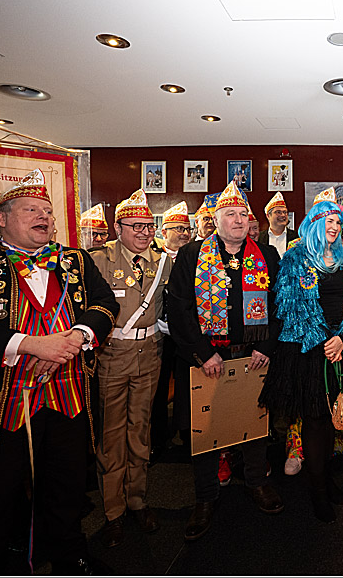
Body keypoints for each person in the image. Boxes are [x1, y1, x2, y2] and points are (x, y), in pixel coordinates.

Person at [0, 169, 119, 575]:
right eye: (31, 209)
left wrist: (76, 337)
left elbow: (103, 304)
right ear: (2, 218)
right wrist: (31, 345)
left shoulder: (76, 260)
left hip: (67, 397)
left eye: (47, 211)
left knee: (65, 487)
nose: (43, 217)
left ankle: (69, 555)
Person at [168, 181, 285, 542]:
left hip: (253, 355)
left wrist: (266, 344)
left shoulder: (267, 256)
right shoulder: (191, 255)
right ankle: (205, 498)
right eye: (229, 214)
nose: (237, 220)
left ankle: (256, 483)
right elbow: (179, 309)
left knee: (253, 423)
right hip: (206, 358)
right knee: (205, 428)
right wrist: (204, 353)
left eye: (242, 215)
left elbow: (281, 304)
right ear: (216, 220)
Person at [259, 200, 343, 522]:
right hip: (308, 352)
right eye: (329, 222)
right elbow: (290, 309)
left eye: (338, 222)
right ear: (312, 225)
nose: (335, 228)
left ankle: (326, 479)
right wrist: (326, 340)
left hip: (342, 347)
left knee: (334, 419)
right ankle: (318, 491)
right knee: (314, 421)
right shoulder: (295, 259)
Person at [89, 189, 172, 547]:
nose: (143, 232)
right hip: (113, 353)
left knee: (141, 430)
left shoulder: (164, 262)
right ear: (117, 226)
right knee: (111, 434)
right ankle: (113, 512)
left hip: (150, 353)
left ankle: (138, 501)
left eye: (147, 225)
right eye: (134, 226)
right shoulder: (97, 260)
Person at [151, 201, 192, 461]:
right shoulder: (152, 257)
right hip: (160, 334)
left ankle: (190, 437)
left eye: (187, 228)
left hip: (188, 334)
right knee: (158, 387)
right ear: (163, 232)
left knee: (190, 387)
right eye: (177, 228)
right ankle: (157, 439)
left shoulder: (197, 256)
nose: (184, 233)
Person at [258, 191, 298, 256]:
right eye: (278, 212)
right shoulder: (259, 238)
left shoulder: (296, 237)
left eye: (285, 212)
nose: (283, 215)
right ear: (268, 216)